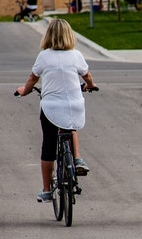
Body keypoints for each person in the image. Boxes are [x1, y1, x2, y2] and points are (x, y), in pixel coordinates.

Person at [16, 18, 97, 202]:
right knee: (70, 126)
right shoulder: (76, 55)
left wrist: (24, 91)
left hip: (51, 107)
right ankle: (77, 159)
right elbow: (88, 75)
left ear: (48, 36)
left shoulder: (44, 56)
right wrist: (91, 85)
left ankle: (46, 190)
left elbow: (32, 78)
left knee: (49, 145)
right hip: (74, 105)